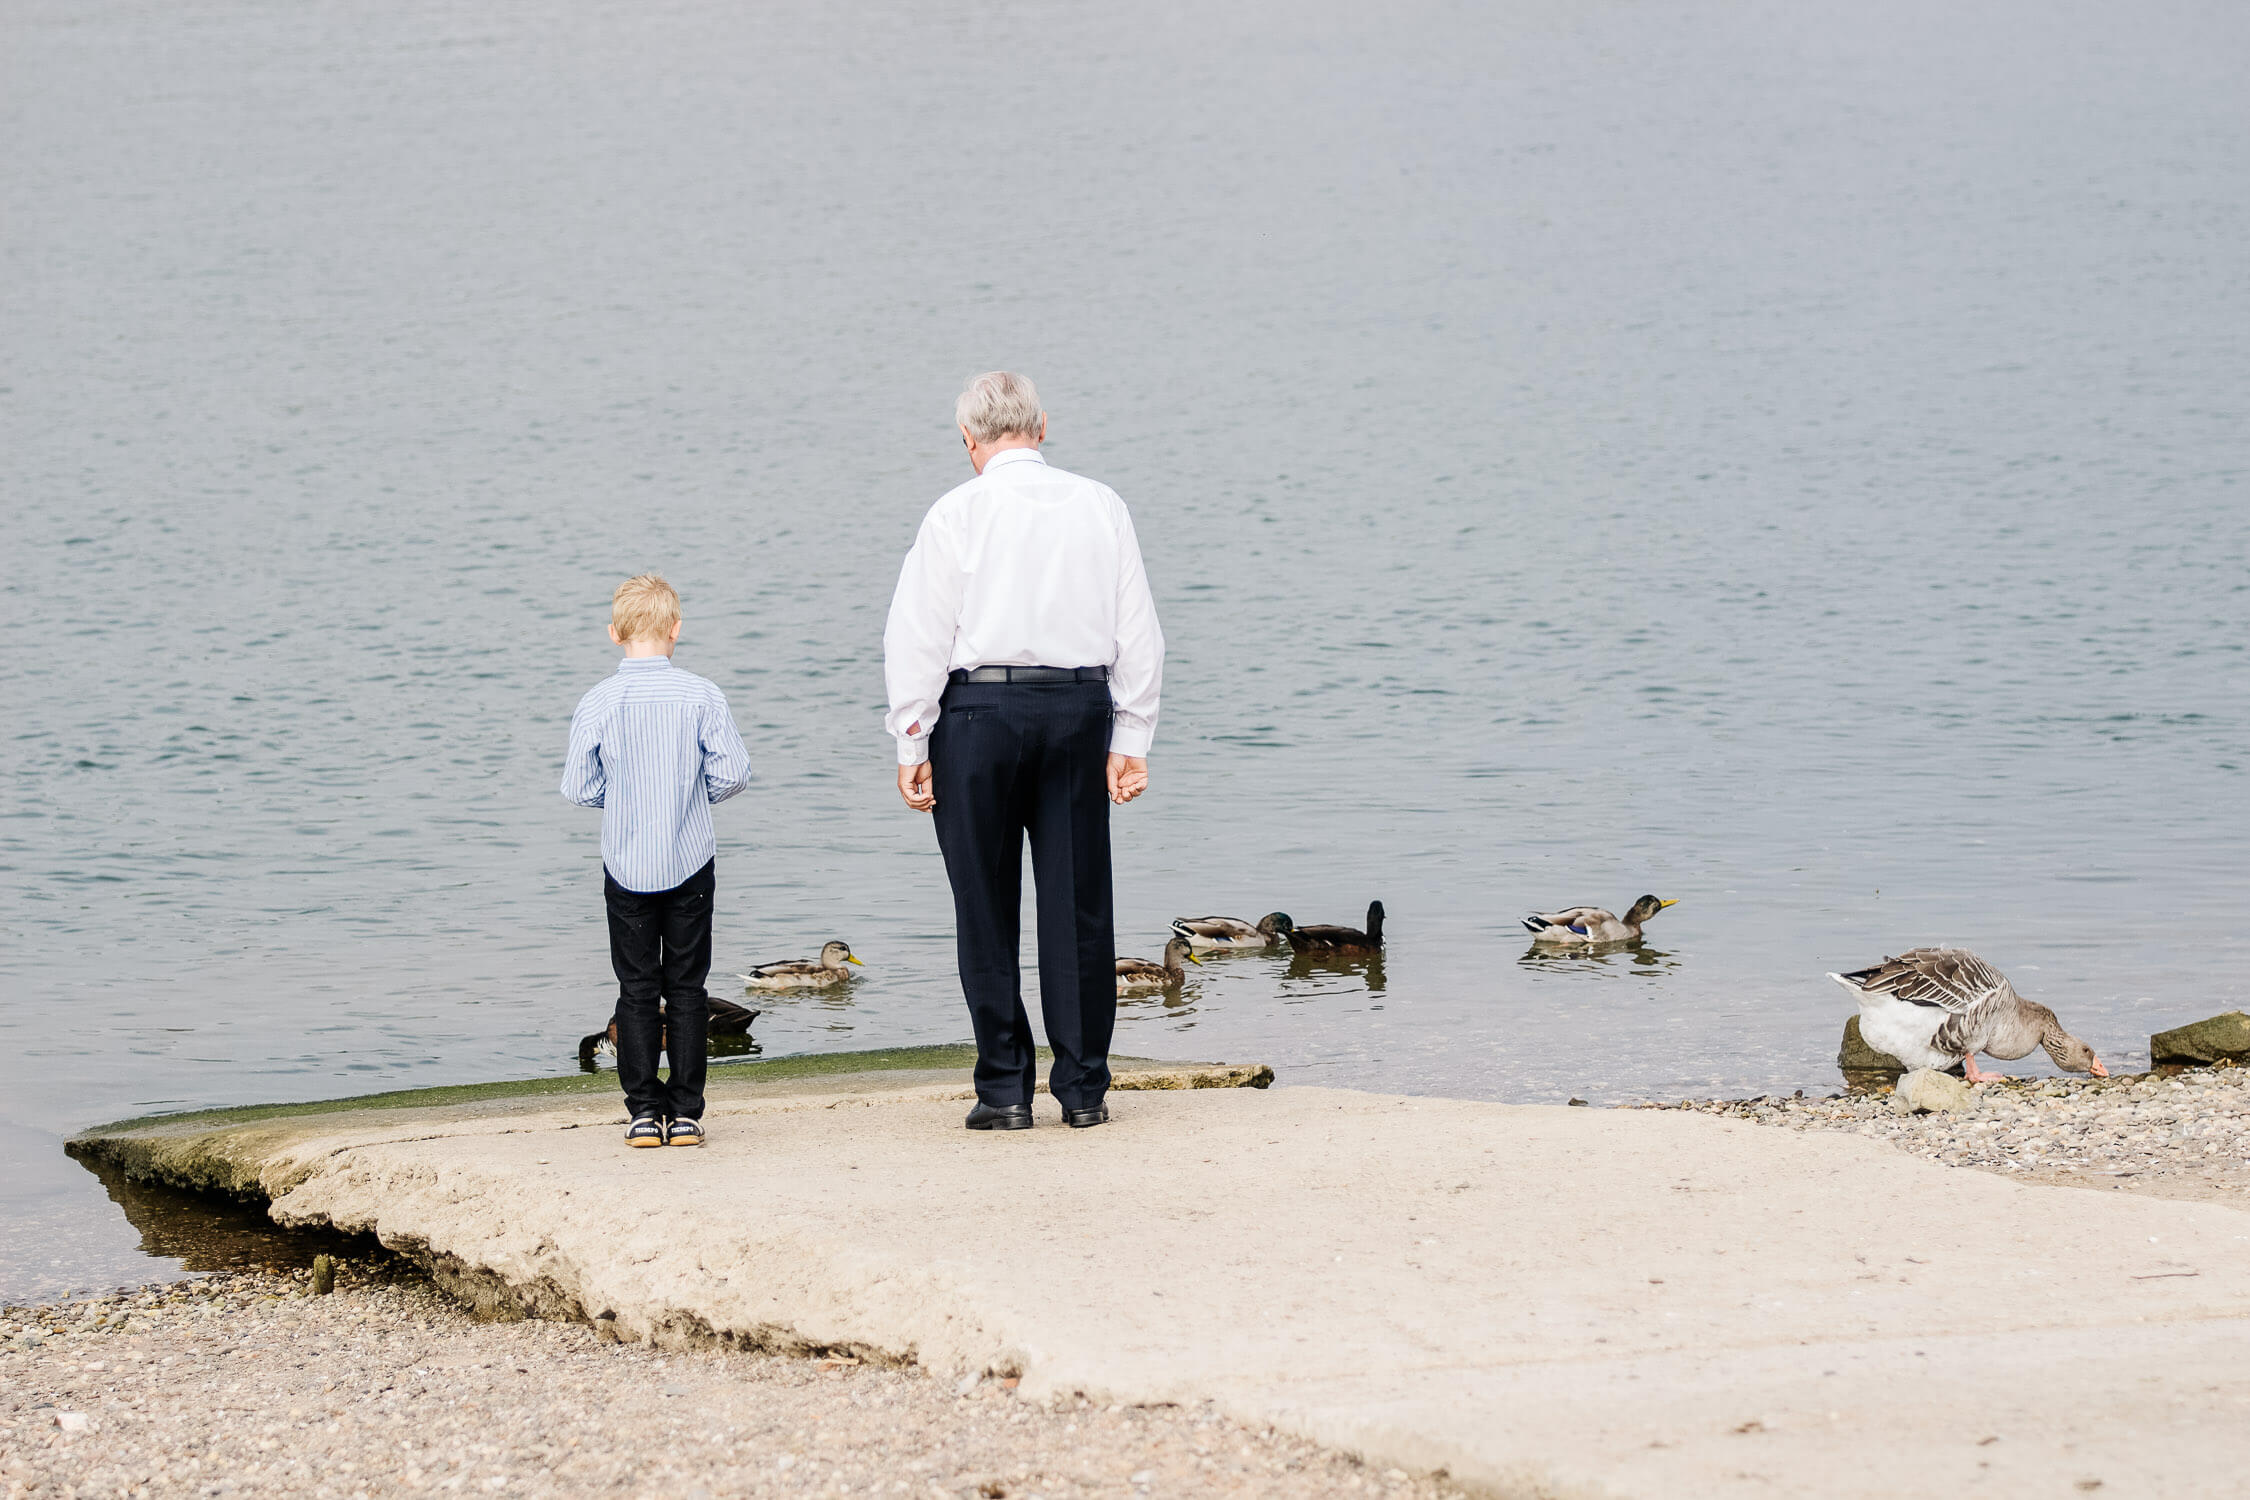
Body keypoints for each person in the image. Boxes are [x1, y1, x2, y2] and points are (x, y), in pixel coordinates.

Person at [883, 372, 1164, 1131]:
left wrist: (912, 737)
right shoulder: (1100, 503)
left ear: (968, 440)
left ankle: (1005, 1090)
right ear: (1041, 427)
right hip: (1079, 707)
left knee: (983, 900)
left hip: (978, 712)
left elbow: (917, 634)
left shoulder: (955, 511)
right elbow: (1137, 630)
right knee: (1078, 903)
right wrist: (1133, 735)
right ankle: (1083, 1090)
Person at [561, 574, 751, 1147]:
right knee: (688, 988)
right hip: (691, 860)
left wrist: (622, 801)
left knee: (637, 989)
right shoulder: (702, 695)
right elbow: (734, 773)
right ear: (675, 629)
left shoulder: (598, 700)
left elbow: (577, 787)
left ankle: (644, 1112)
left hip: (626, 865)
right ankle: (687, 1113)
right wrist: (690, 798)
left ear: (614, 633)